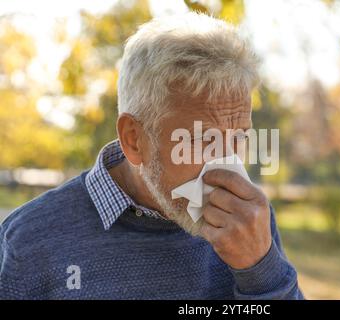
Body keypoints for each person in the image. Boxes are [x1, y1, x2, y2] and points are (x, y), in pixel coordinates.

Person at [0, 12, 303, 299]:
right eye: (200, 140)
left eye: (238, 138)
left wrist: (261, 269)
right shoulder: (29, 244)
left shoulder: (249, 221)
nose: (228, 166)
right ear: (134, 139)